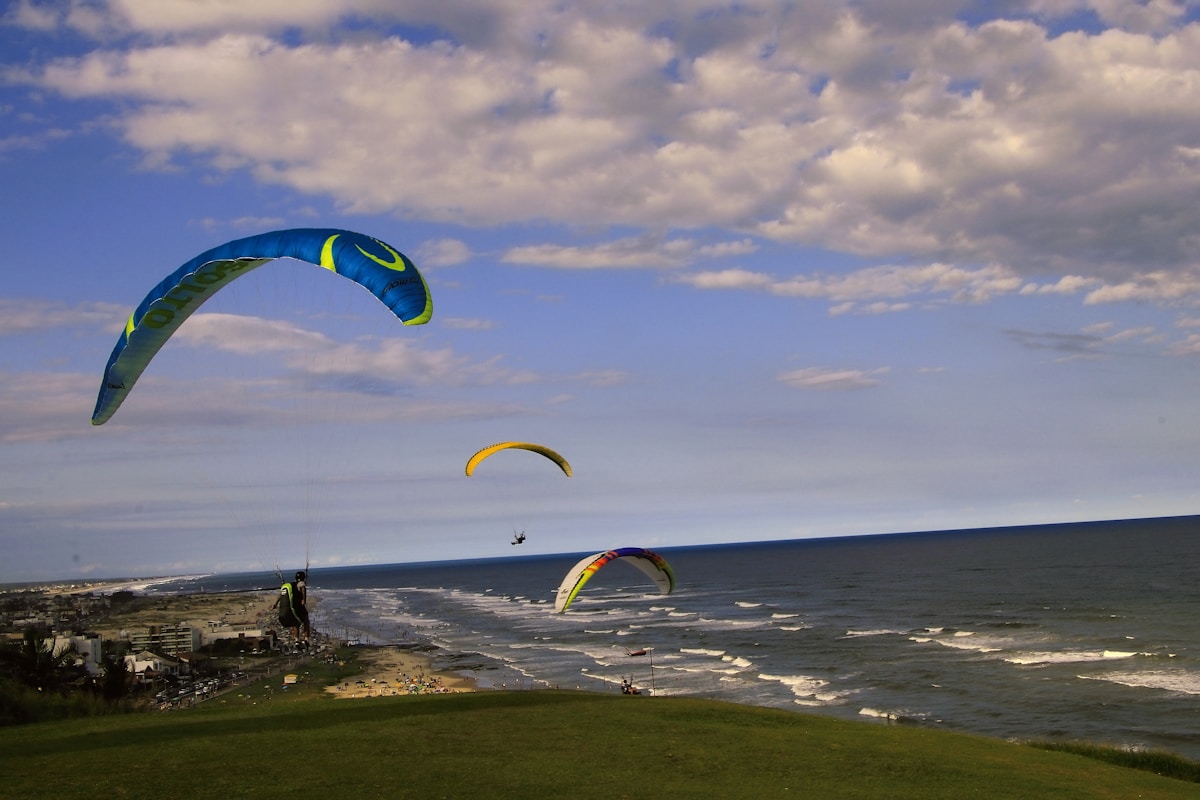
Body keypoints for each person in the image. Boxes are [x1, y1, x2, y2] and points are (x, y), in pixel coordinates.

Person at [274, 570, 311, 647]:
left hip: (292, 608)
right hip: (299, 607)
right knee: (306, 621)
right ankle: (306, 639)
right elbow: (303, 589)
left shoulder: (291, 585)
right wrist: (304, 599)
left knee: (295, 623)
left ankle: (296, 640)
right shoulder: (301, 583)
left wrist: (275, 604)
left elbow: (281, 595)